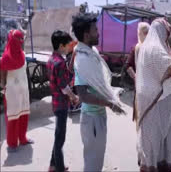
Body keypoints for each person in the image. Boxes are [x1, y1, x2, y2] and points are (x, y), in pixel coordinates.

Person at [71, 13, 125, 172]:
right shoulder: (83, 59)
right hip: (92, 119)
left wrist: (111, 92)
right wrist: (110, 102)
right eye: (95, 30)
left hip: (97, 116)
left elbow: (98, 81)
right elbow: (83, 95)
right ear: (87, 35)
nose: (98, 33)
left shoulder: (90, 51)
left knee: (96, 159)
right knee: (93, 163)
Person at [135, 18, 171, 172]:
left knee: (149, 134)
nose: (167, 37)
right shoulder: (155, 48)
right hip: (158, 98)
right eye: (166, 33)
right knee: (158, 135)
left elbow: (164, 63)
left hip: (148, 96)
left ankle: (150, 163)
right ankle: (154, 166)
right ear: (161, 32)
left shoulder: (147, 46)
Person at [47, 30, 79, 172]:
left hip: (55, 102)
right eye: (67, 45)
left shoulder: (51, 59)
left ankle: (53, 165)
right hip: (61, 104)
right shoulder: (59, 63)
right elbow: (64, 87)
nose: (69, 47)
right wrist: (74, 97)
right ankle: (59, 168)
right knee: (60, 139)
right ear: (61, 46)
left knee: (58, 135)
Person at [0, 30, 33, 153]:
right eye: (19, 39)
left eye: (22, 39)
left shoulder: (23, 54)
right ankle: (12, 143)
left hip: (23, 89)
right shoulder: (6, 57)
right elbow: (2, 74)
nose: (21, 41)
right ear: (13, 40)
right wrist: (3, 86)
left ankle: (23, 138)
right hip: (12, 91)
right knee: (13, 116)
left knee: (24, 113)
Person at [125, 22, 150, 122]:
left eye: (148, 32)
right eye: (145, 33)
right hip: (144, 88)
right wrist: (136, 78)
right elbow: (127, 66)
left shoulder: (151, 48)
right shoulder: (137, 48)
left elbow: (127, 66)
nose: (147, 35)